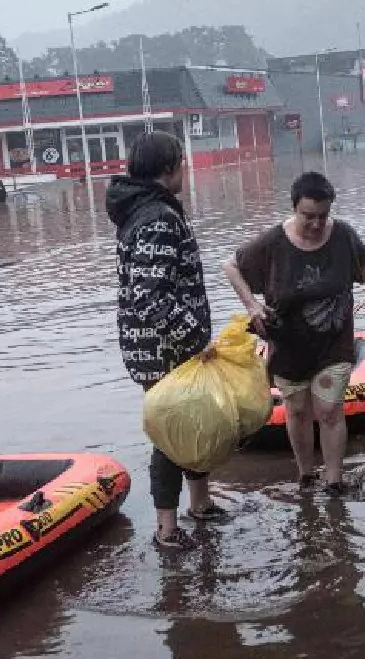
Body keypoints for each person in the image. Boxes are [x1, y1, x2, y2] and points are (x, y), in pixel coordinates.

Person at [222, 172, 365, 496]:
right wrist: (253, 305)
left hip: (333, 343)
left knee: (328, 411)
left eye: (322, 216)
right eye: (308, 216)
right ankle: (306, 474)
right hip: (288, 345)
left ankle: (335, 480)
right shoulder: (273, 242)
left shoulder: (342, 235)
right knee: (296, 411)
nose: (315, 223)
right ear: (295, 208)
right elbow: (230, 266)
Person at [109, 130, 224, 550]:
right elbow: (148, 295)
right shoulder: (157, 218)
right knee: (171, 434)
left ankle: (200, 504)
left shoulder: (144, 210)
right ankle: (167, 530)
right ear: (168, 168)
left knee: (188, 425)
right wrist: (193, 337)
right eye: (182, 161)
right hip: (164, 351)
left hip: (156, 347)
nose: (185, 170)